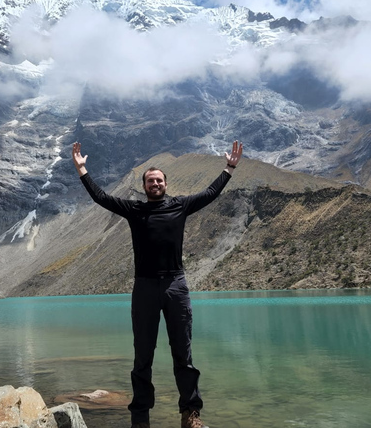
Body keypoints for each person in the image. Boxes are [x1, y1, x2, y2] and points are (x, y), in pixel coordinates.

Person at [71, 141, 243, 428]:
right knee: (143, 356)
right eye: (150, 181)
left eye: (159, 180)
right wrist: (82, 170)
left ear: (165, 184)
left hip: (176, 285)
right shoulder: (134, 210)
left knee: (183, 352)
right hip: (145, 288)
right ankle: (140, 420)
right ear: (144, 186)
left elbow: (210, 193)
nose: (155, 184)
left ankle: (191, 414)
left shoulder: (180, 205)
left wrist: (229, 168)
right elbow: (101, 197)